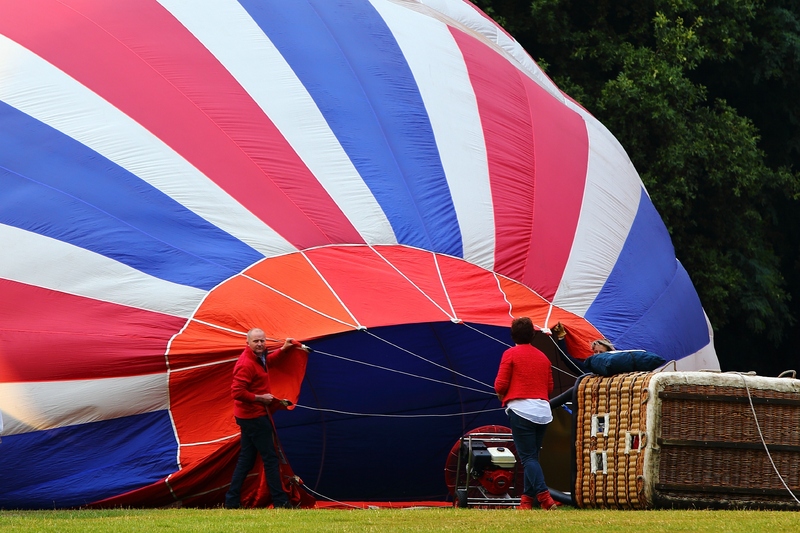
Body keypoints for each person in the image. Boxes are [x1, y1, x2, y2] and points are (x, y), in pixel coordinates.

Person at [225, 328, 308, 509]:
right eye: (256, 341)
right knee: (270, 459)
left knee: (246, 459)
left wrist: (284, 349)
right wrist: (260, 398)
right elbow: (236, 392)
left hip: (248, 416)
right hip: (253, 417)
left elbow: (267, 363)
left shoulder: (258, 358)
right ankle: (281, 502)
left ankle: (231, 501)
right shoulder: (245, 363)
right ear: (248, 343)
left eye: (262, 341)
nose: (260, 344)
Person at [494, 317, 560, 510]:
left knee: (528, 458)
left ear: (512, 334)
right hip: (542, 412)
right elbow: (549, 387)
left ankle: (545, 498)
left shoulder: (510, 354)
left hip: (521, 410)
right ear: (532, 334)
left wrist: (501, 395)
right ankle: (526, 502)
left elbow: (501, 384)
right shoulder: (543, 357)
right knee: (533, 457)